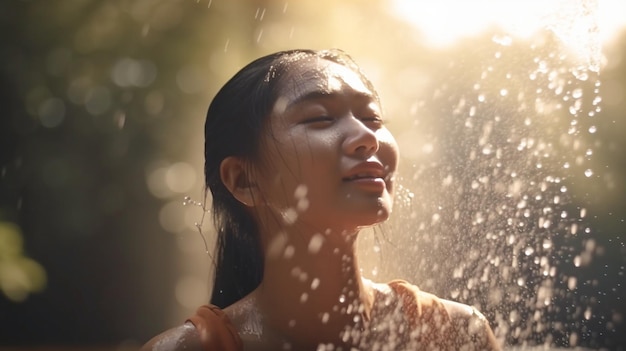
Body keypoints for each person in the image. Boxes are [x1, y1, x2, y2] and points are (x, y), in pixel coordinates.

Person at [141, 49, 500, 351]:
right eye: (321, 118)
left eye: (372, 118)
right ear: (245, 180)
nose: (367, 138)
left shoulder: (451, 334)